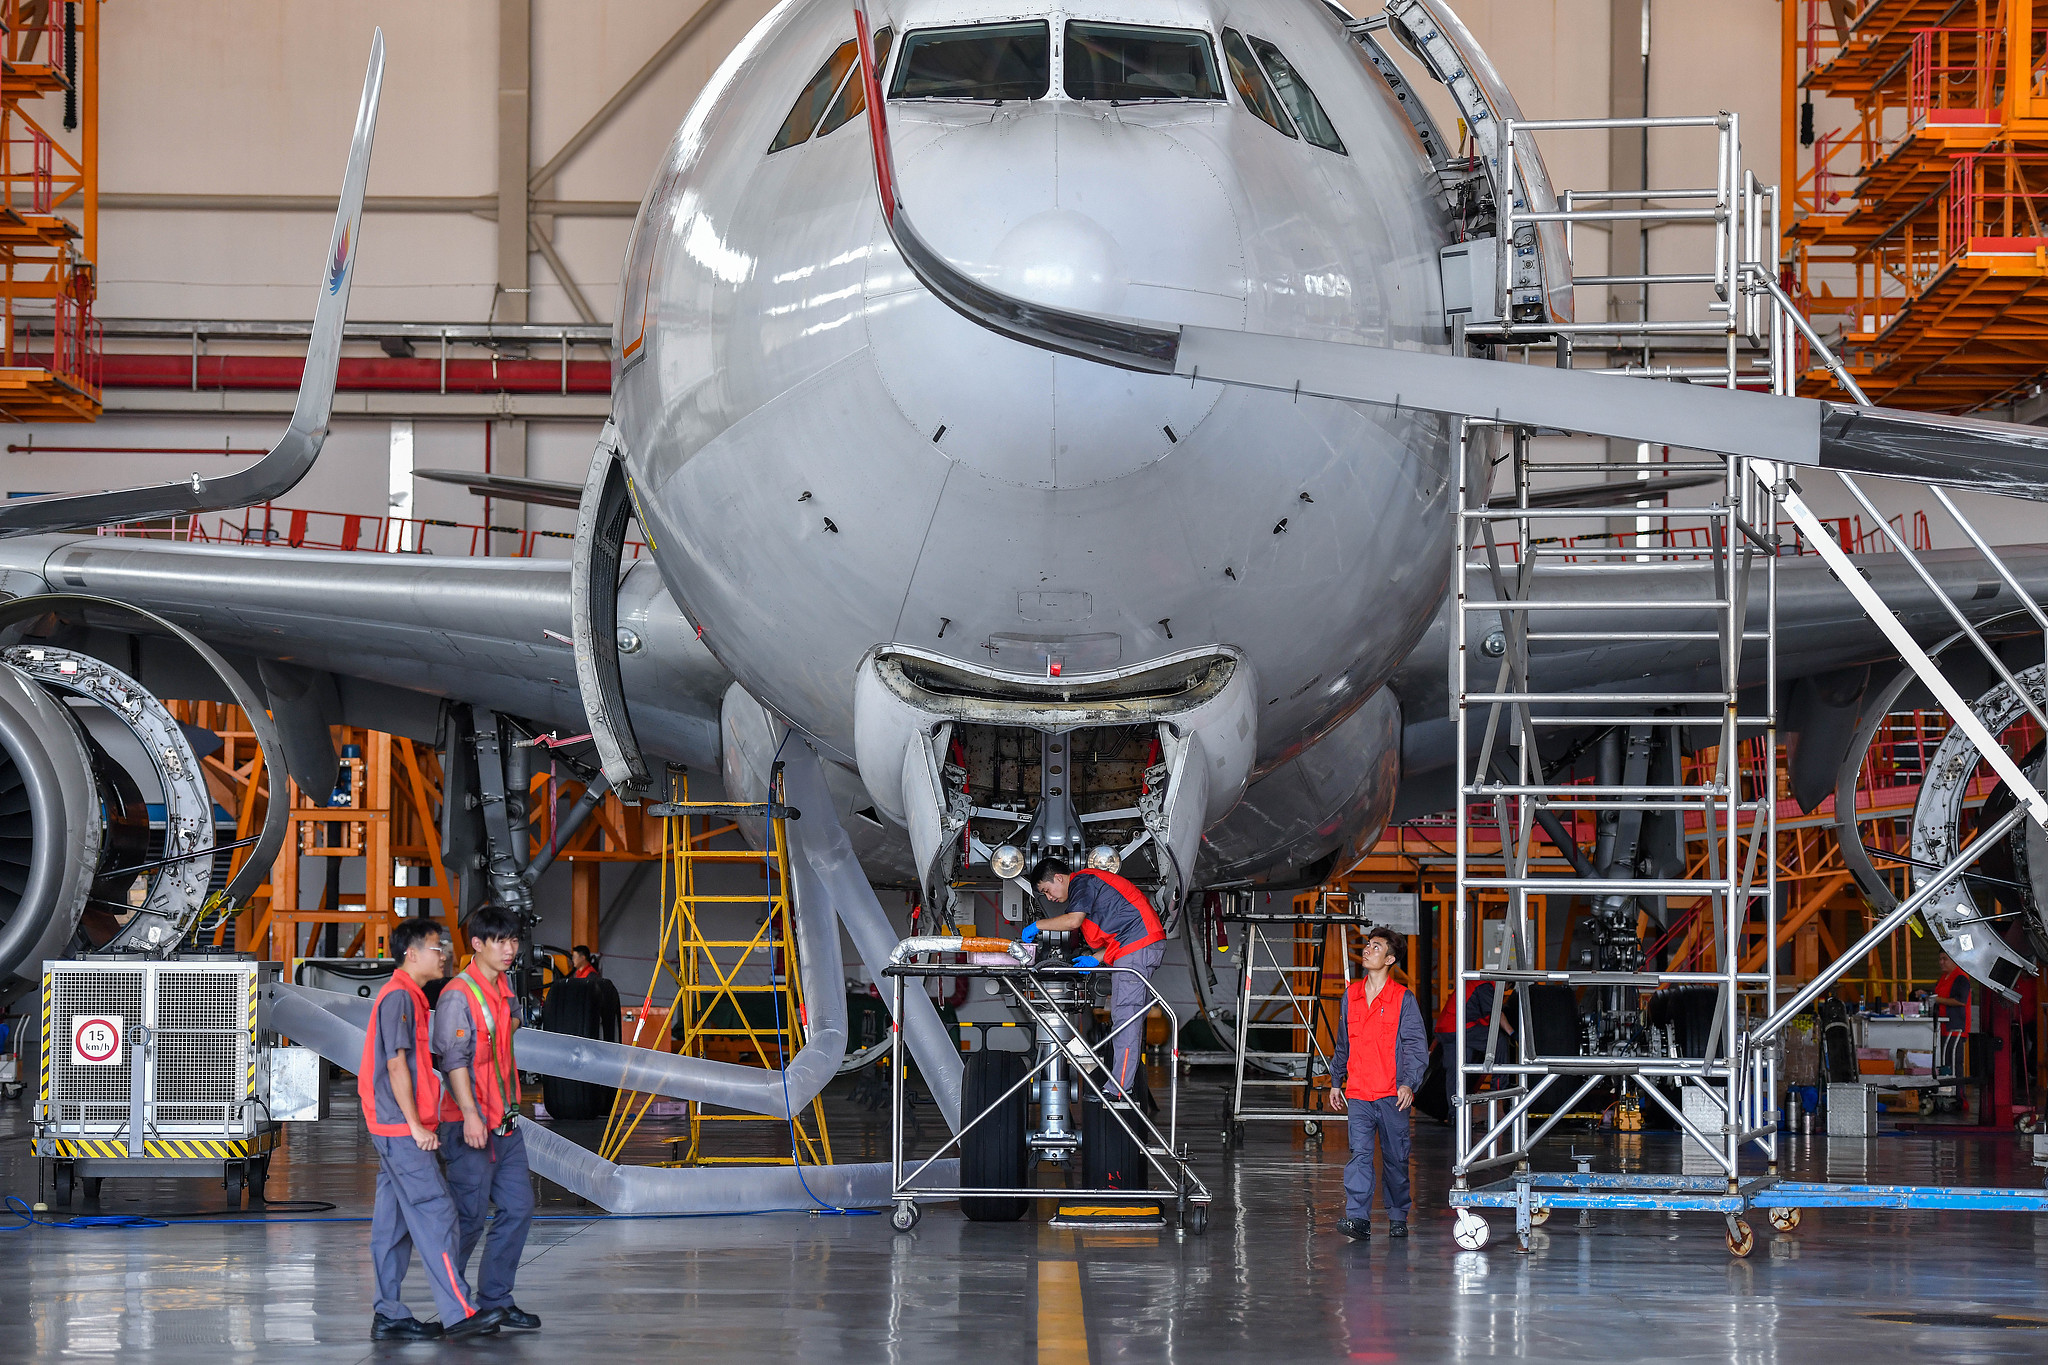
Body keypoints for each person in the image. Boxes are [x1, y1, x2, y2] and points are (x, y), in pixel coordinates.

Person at [362, 918, 499, 1341]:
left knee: (393, 1224)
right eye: (436, 948)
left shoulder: (410, 997)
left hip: (390, 1126)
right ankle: (459, 1312)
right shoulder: (400, 996)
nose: (444, 955)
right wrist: (415, 1126)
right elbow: (395, 1064)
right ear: (412, 953)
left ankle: (388, 1312)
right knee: (436, 1212)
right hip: (401, 1130)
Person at [434, 906, 542, 1332]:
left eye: (513, 940)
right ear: (476, 945)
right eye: (500, 941)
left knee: (518, 1207)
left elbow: (512, 1019)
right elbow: (453, 1063)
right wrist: (471, 1116)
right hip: (469, 1125)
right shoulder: (458, 995)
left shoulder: (504, 984)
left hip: (505, 1122)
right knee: (469, 1217)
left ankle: (496, 1298)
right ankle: (456, 1308)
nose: (510, 948)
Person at [1022, 857, 1167, 1098]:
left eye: (1047, 890)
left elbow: (1073, 921)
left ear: (1059, 878)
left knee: (1125, 1017)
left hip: (1138, 948)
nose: (1049, 898)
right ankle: (1120, 1085)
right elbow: (1120, 933)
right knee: (1123, 1016)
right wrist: (1096, 958)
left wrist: (1038, 925)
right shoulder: (1090, 886)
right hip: (1134, 946)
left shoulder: (1082, 882)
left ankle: (1120, 1089)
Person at [1329, 927, 1428, 1241]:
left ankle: (1398, 1215)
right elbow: (1343, 1042)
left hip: (1391, 1094)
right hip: (1358, 1092)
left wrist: (1409, 1083)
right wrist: (1335, 1080)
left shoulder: (1403, 999)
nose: (1367, 950)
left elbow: (1415, 1045)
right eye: (1368, 945)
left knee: (1396, 1161)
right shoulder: (1352, 995)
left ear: (1390, 958)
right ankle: (1358, 1219)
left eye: (1376, 946)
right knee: (1359, 1157)